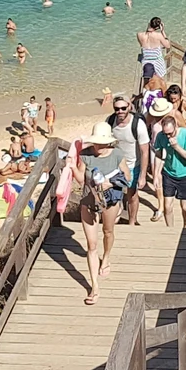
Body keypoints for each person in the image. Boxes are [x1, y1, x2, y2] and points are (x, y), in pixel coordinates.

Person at [76, 121, 127, 305]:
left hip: (109, 201)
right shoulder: (85, 155)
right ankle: (94, 287)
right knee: (91, 245)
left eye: (100, 143)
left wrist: (110, 183)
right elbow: (81, 179)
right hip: (88, 202)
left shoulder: (117, 155)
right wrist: (72, 167)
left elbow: (127, 177)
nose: (97, 146)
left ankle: (106, 257)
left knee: (108, 232)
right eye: (95, 142)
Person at [150, 98, 186, 228]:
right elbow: (159, 156)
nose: (168, 137)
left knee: (185, 206)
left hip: (185, 174)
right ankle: (170, 230)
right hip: (169, 174)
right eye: (166, 134)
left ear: (176, 126)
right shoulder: (161, 136)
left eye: (170, 133)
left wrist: (176, 147)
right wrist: (156, 175)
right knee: (167, 206)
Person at [109, 93, 154, 225]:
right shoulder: (110, 121)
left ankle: (132, 222)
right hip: (115, 164)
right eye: (117, 109)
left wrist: (143, 175)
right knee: (112, 194)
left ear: (129, 107)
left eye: (123, 108)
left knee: (132, 195)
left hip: (133, 164)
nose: (120, 111)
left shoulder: (138, 125)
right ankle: (113, 220)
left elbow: (145, 151)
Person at [137, 16, 170, 84]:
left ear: (149, 24)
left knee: (146, 83)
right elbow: (168, 45)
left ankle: (145, 92)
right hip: (157, 61)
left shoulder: (139, 35)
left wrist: (148, 27)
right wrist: (162, 31)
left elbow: (141, 44)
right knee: (160, 81)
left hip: (146, 61)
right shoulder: (158, 35)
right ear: (158, 27)